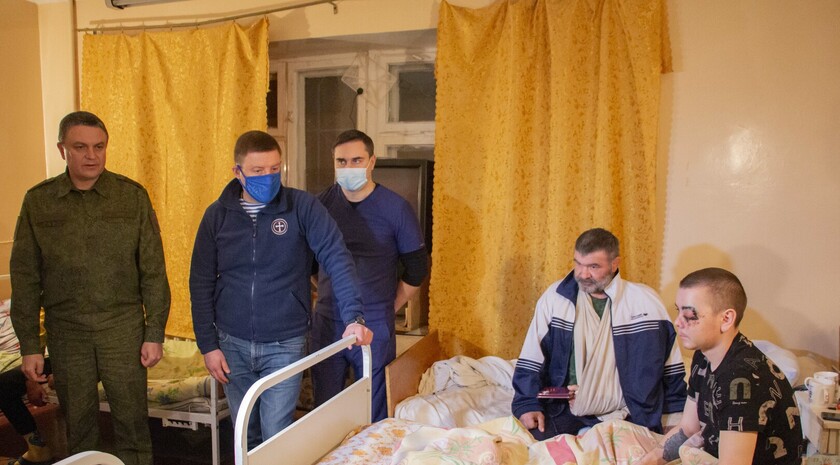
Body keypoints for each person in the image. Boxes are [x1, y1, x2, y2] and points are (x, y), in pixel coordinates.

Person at [189, 130, 373, 449]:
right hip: (232, 344)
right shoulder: (217, 216)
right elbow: (200, 281)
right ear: (238, 172)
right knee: (245, 435)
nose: (268, 177)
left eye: (274, 169)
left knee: (275, 434)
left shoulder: (302, 207)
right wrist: (208, 345)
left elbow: (336, 257)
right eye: (258, 170)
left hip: (285, 343)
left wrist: (354, 317)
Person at [10, 111, 171, 465]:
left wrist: (154, 332)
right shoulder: (39, 201)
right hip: (67, 332)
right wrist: (31, 346)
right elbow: (25, 278)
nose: (91, 155)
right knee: (79, 427)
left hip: (122, 328)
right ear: (62, 150)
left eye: (99, 147)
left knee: (132, 425)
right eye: (80, 147)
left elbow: (154, 272)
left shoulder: (131, 196)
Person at [512, 228, 686, 440]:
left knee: (628, 454)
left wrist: (674, 415)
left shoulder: (646, 303)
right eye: (578, 263)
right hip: (564, 410)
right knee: (531, 447)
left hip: (630, 412)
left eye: (594, 266)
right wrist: (527, 403)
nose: (583, 274)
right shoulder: (556, 299)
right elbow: (532, 357)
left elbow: (671, 367)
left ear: (615, 264)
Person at [311, 129, 428, 422]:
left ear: (372, 161)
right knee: (324, 412)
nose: (348, 167)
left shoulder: (396, 209)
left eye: (356, 160)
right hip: (328, 322)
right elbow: (308, 264)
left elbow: (417, 269)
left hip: (375, 323)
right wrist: (327, 294)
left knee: (374, 412)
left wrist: (388, 307)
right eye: (341, 161)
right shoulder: (320, 206)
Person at [640, 268, 803, 464]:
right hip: (715, 454)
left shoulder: (741, 378)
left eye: (689, 315)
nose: (677, 322)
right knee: (613, 431)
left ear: (726, 319)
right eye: (678, 311)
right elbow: (688, 428)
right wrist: (648, 460)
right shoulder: (703, 355)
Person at [0, 360, 54, 465]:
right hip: (28, 362)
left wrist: (31, 380)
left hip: (49, 360)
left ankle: (38, 448)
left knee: (3, 384)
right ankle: (37, 448)